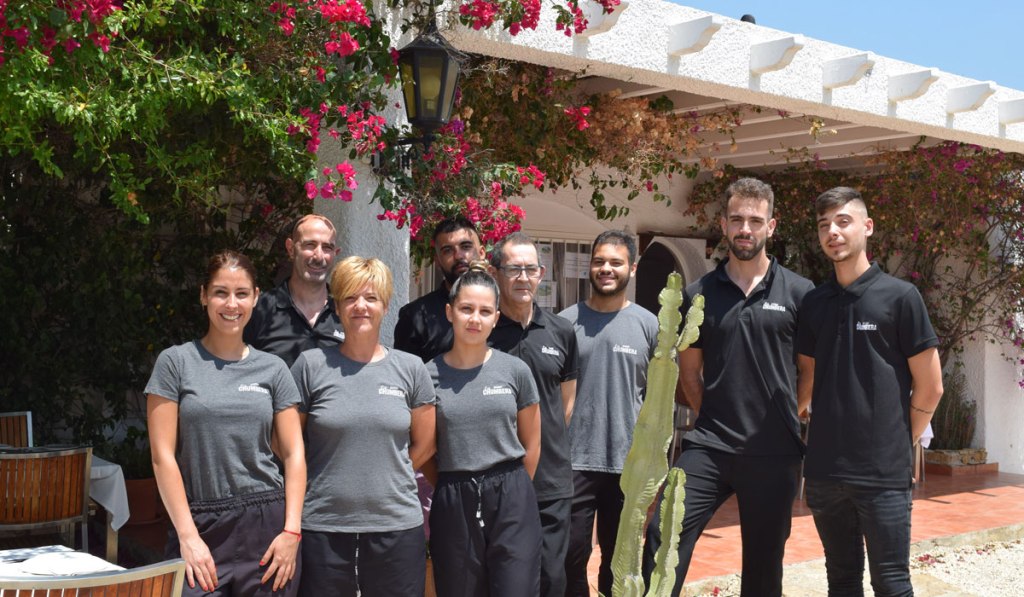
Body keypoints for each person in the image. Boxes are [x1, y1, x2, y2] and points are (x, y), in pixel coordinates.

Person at [642, 178, 814, 596]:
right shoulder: (699, 294)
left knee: (763, 564)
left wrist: (791, 415)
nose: (745, 228)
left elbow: (811, 370)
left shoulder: (799, 293)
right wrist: (708, 413)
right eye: (737, 219)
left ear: (771, 227)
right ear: (723, 223)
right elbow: (689, 372)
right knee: (664, 533)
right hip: (710, 446)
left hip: (775, 452)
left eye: (756, 220)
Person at [797, 187, 943, 596]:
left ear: (868, 226)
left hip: (882, 474)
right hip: (825, 472)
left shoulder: (901, 297)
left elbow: (931, 387)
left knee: (892, 583)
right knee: (840, 581)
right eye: (824, 224)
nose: (833, 232)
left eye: (843, 221)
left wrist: (900, 439)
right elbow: (807, 379)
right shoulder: (814, 303)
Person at [147, 250, 306, 596]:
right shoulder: (175, 363)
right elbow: (162, 457)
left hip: (266, 527)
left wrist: (291, 532)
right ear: (203, 295)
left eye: (241, 293)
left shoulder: (274, 369)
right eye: (220, 292)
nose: (231, 304)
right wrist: (188, 537)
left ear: (255, 298)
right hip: (199, 522)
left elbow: (294, 454)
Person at [291, 256, 436, 597]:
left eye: (371, 298)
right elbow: (289, 444)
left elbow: (426, 445)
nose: (361, 306)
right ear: (337, 306)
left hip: (396, 526)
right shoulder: (311, 366)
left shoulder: (411, 369)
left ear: (385, 305)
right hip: (323, 524)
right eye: (350, 298)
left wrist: (385, 473)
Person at [426, 265, 543, 596]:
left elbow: (532, 443)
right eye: (466, 309)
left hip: (512, 494)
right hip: (454, 496)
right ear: (450, 312)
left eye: (484, 311)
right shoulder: (427, 375)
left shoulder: (515, 371)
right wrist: (454, 484)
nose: (474, 318)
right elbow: (423, 449)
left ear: (495, 317)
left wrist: (511, 490)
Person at [560, 230, 659, 597]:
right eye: (599, 261)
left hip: (628, 465)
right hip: (573, 461)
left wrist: (653, 465)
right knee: (570, 554)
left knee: (621, 561)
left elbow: (657, 402)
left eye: (615, 262)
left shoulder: (649, 326)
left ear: (631, 268)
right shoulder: (565, 323)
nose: (606, 269)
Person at [487, 232, 579, 597]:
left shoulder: (561, 331)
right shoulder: (484, 333)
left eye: (530, 269)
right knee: (504, 575)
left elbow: (565, 405)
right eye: (513, 269)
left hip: (551, 480)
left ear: (541, 274)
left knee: (551, 578)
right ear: (496, 273)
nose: (523, 277)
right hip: (496, 474)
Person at [245, 214, 344, 367]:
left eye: (327, 247)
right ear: (291, 249)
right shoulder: (259, 310)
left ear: (335, 253)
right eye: (310, 245)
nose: (319, 256)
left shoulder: (346, 313)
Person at [394, 217, 487, 362]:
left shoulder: (504, 308)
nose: (458, 256)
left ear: (482, 253)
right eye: (448, 250)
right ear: (437, 260)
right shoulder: (415, 316)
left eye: (466, 246)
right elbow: (405, 378)